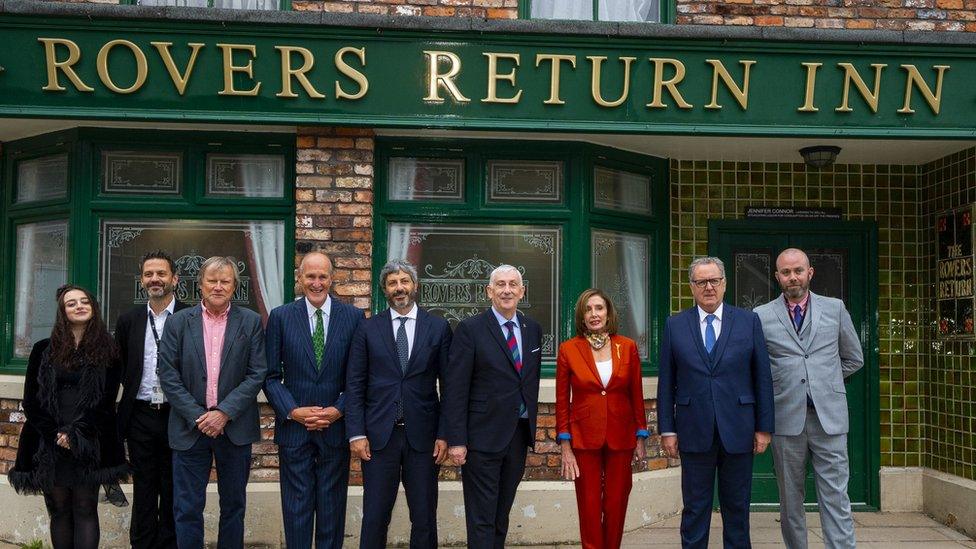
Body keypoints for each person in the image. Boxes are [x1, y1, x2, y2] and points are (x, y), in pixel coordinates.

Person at [657, 256, 775, 549]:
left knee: (737, 509)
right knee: (695, 509)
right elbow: (666, 382)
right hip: (693, 430)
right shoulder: (675, 325)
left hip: (739, 429)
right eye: (701, 282)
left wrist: (764, 427)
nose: (708, 287)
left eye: (714, 281)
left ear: (724, 284)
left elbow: (762, 377)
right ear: (692, 287)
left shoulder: (748, 321)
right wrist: (667, 429)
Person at [753, 248, 863, 549]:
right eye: (786, 273)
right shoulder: (760, 316)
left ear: (810, 273)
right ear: (777, 277)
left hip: (830, 418)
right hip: (785, 420)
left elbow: (854, 358)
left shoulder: (835, 308)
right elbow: (757, 368)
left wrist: (823, 380)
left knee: (837, 496)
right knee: (790, 500)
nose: (793, 277)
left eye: (798, 271)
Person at [156, 256, 268, 549]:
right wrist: (199, 416)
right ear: (200, 285)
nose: (218, 287)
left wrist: (223, 413)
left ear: (234, 286)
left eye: (225, 281)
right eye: (212, 281)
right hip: (189, 429)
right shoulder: (179, 322)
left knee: (234, 506)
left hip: (234, 429)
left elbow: (257, 373)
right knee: (187, 508)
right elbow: (168, 374)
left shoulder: (251, 321)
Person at [9, 285, 128, 549]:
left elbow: (107, 401)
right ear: (63, 312)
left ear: (93, 308)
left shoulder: (109, 350)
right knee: (59, 509)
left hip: (90, 440)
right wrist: (57, 435)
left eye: (84, 301)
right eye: (71, 303)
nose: (79, 306)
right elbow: (31, 400)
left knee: (86, 507)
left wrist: (76, 434)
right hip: (48, 442)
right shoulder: (43, 349)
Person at [345, 259, 453, 549]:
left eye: (404, 281)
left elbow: (450, 387)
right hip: (379, 438)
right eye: (393, 283)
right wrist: (356, 433)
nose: (399, 288)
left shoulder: (438, 327)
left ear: (415, 286)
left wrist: (444, 433)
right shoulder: (367, 329)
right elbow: (354, 384)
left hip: (424, 437)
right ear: (384, 289)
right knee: (375, 516)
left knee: (424, 516)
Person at [263, 251, 365, 549]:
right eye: (311, 276)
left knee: (332, 509)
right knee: (296, 509)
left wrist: (338, 409)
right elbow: (270, 376)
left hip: (335, 428)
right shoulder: (281, 317)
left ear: (332, 279)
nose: (316, 282)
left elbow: (358, 376)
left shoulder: (354, 318)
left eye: (322, 276)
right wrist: (292, 411)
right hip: (295, 429)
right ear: (300, 278)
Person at [443, 264, 543, 549]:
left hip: (518, 435)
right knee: (481, 517)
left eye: (513, 284)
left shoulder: (532, 328)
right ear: (489, 291)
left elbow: (528, 380)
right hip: (481, 438)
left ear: (522, 291)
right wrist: (457, 440)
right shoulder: (470, 329)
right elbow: (456, 388)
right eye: (500, 284)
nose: (507, 290)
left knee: (501, 515)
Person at [556, 289, 648, 549]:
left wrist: (641, 434)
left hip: (621, 436)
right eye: (588, 309)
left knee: (617, 502)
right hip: (584, 438)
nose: (594, 314)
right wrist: (565, 445)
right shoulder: (569, 349)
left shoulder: (627, 346)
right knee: (589, 504)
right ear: (582, 316)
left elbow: (636, 394)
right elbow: (563, 400)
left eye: (599, 308)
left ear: (608, 313)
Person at [115, 250, 189, 549]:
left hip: (178, 414)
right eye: (149, 274)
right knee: (144, 487)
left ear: (175, 279)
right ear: (142, 280)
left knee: (174, 487)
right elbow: (119, 368)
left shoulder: (190, 317)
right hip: (140, 415)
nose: (155, 279)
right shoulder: (129, 319)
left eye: (161, 273)